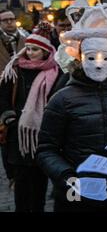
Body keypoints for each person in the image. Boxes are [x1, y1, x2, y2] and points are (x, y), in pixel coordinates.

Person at [37, 4, 107, 212]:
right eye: (91, 57)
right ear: (80, 58)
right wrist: (67, 176)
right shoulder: (62, 99)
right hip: (75, 194)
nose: (98, 64)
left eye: (106, 58)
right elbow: (46, 149)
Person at [0, 22, 60, 212]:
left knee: (40, 185)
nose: (30, 52)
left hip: (43, 135)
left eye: (35, 49)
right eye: (28, 48)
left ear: (45, 51)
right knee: (22, 185)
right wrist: (9, 116)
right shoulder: (15, 69)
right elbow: (3, 97)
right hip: (18, 136)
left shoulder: (54, 72)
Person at [0, 10, 26, 184]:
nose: (9, 22)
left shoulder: (24, 38)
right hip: (2, 88)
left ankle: (21, 167)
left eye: (12, 19)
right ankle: (11, 173)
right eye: (5, 20)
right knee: (4, 132)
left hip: (21, 87)